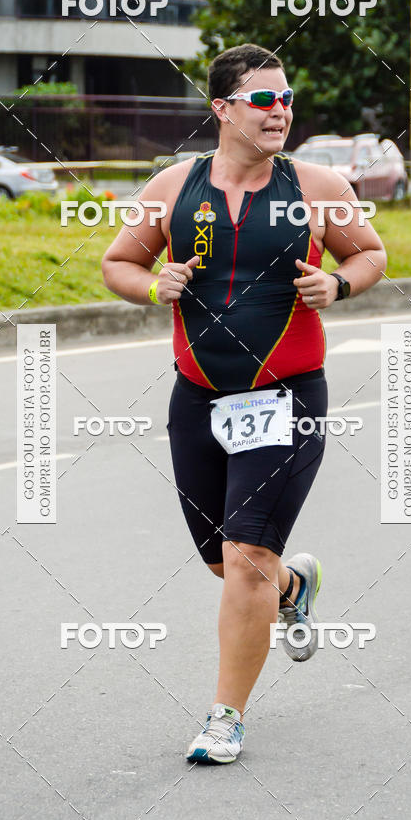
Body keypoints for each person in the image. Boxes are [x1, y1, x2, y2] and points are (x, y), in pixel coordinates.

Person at [102, 44, 387, 764]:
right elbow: (118, 263)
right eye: (263, 100)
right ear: (222, 109)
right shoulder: (174, 186)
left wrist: (342, 285)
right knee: (221, 561)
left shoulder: (318, 185)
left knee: (247, 553)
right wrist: (151, 285)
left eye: (286, 99)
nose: (280, 111)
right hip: (198, 397)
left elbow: (369, 253)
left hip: (287, 397)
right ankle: (296, 586)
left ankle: (224, 717)